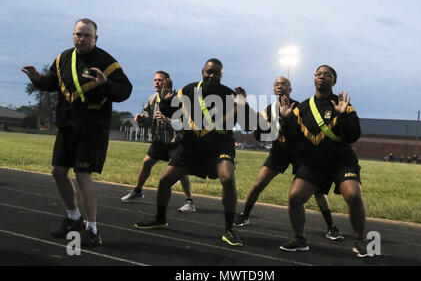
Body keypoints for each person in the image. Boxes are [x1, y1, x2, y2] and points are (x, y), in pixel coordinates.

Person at [20, 18, 132, 247]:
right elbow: (53, 83)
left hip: (92, 130)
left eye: (86, 35)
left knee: (82, 175)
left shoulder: (107, 62)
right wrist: (37, 79)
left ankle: (92, 229)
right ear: (73, 35)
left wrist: (105, 84)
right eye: (78, 34)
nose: (81, 39)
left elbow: (125, 91)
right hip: (67, 126)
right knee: (58, 172)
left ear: (96, 38)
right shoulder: (63, 58)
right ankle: (73, 218)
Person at [134, 58, 254, 247]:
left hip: (219, 146)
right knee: (165, 180)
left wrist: (244, 105)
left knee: (228, 178)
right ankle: (159, 218)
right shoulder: (189, 90)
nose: (211, 75)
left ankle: (229, 229)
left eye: (216, 72)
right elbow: (171, 111)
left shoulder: (229, 95)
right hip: (191, 146)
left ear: (222, 75)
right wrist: (165, 100)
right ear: (202, 71)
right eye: (208, 71)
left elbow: (248, 125)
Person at [234, 77, 343, 241]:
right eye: (276, 84)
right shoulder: (269, 109)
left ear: (290, 89)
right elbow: (256, 125)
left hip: (301, 152)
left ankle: (331, 226)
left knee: (318, 192)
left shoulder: (299, 107)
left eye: (283, 84)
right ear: (273, 89)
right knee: (258, 184)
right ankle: (244, 215)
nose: (279, 86)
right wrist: (244, 104)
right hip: (280, 152)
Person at [279, 65, 369, 257]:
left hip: (342, 161)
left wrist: (343, 115)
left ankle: (360, 240)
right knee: (295, 197)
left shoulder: (343, 104)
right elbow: (292, 140)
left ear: (334, 81)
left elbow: (354, 135)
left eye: (327, 75)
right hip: (314, 164)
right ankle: (300, 239)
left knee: (353, 196)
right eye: (318, 74)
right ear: (314, 78)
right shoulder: (302, 108)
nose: (322, 77)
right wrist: (285, 120)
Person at [121, 71, 196, 213]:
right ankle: (138, 191)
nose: (156, 82)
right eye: (155, 80)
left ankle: (190, 201)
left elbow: (185, 123)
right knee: (146, 163)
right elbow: (149, 120)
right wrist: (142, 119)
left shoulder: (177, 99)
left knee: (180, 171)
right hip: (159, 139)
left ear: (167, 82)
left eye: (160, 80)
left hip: (176, 141)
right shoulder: (152, 98)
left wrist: (168, 120)